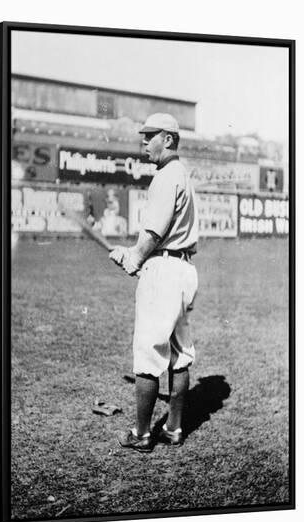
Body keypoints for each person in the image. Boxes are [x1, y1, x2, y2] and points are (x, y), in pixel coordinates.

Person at [109, 113, 199, 452]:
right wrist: (133, 253)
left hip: (163, 270)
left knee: (149, 354)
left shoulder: (165, 176)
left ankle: (142, 433)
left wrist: (134, 256)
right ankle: (174, 428)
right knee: (179, 354)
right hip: (184, 269)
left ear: (169, 139)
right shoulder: (183, 174)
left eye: (150, 136)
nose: (143, 142)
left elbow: (153, 233)